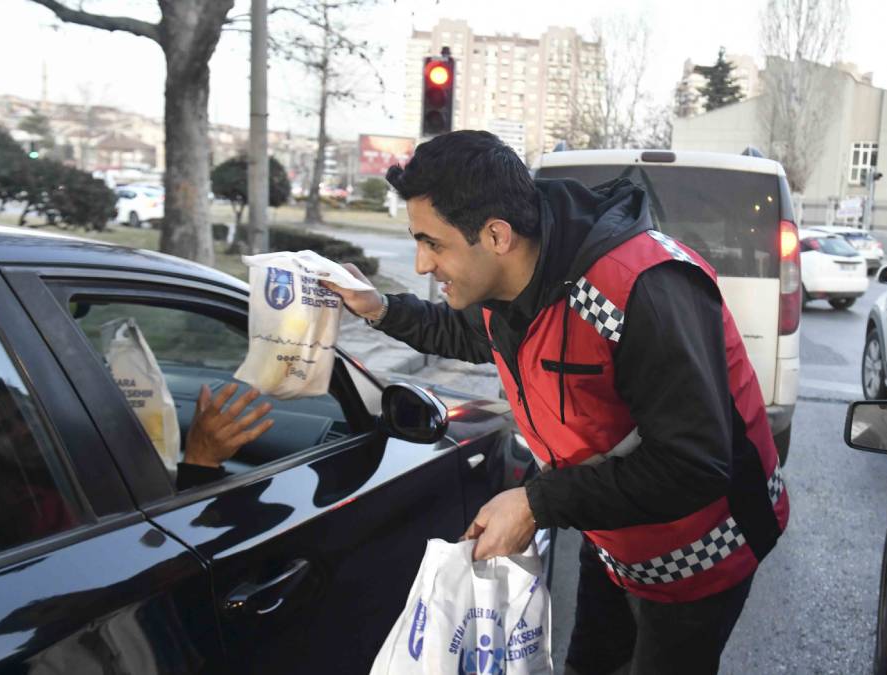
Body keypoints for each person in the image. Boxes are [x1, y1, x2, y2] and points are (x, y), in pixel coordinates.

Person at [324, 130, 789, 675]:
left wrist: (536, 503)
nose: (423, 264)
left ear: (496, 235)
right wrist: (377, 308)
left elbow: (694, 464)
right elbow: (464, 334)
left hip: (704, 550)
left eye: (433, 243)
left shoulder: (636, 289)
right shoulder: (510, 289)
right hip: (613, 532)